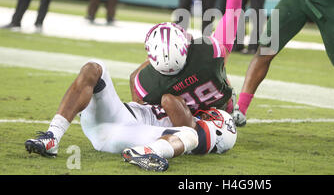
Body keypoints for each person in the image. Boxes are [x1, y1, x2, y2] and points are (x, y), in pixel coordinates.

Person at [24, 58, 237, 172]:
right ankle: (52, 137)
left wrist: (183, 71)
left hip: (129, 134)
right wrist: (160, 56)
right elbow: (136, 79)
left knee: (189, 135)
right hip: (120, 118)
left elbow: (168, 102)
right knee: (94, 68)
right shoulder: (187, 115)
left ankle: (146, 152)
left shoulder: (211, 127)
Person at [130, 0, 244, 115]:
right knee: (221, 66)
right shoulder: (208, 53)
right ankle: (234, 108)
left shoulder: (148, 83)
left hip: (183, 125)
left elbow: (142, 98)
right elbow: (233, 10)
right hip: (220, 120)